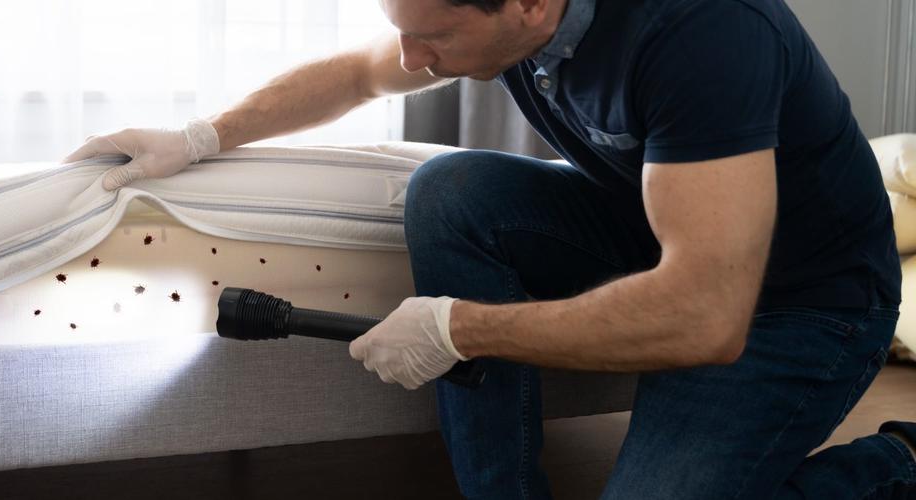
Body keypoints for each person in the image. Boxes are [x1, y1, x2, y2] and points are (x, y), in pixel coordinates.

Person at [61, 0, 916, 497]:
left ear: (530, 6)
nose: (411, 57)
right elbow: (358, 74)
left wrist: (457, 329)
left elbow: (704, 319)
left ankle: (896, 461)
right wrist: (199, 138)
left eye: (431, 37)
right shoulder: (492, 17)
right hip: (660, 238)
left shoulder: (705, 35)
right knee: (454, 191)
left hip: (801, 305)